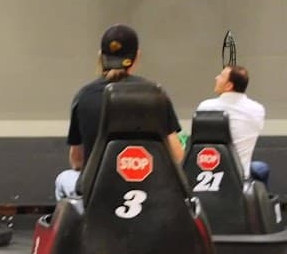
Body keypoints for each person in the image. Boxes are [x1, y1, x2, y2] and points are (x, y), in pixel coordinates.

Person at [58, 24, 184, 198]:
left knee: (63, 179)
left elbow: (77, 160)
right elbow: (177, 155)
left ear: (101, 57)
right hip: (148, 190)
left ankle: (75, 225)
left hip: (98, 193)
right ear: (136, 57)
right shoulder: (155, 94)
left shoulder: (84, 96)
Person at [196, 65, 269, 185]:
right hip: (242, 176)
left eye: (221, 76)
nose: (216, 78)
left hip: (209, 173)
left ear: (229, 85)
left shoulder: (206, 107)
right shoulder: (258, 109)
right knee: (259, 167)